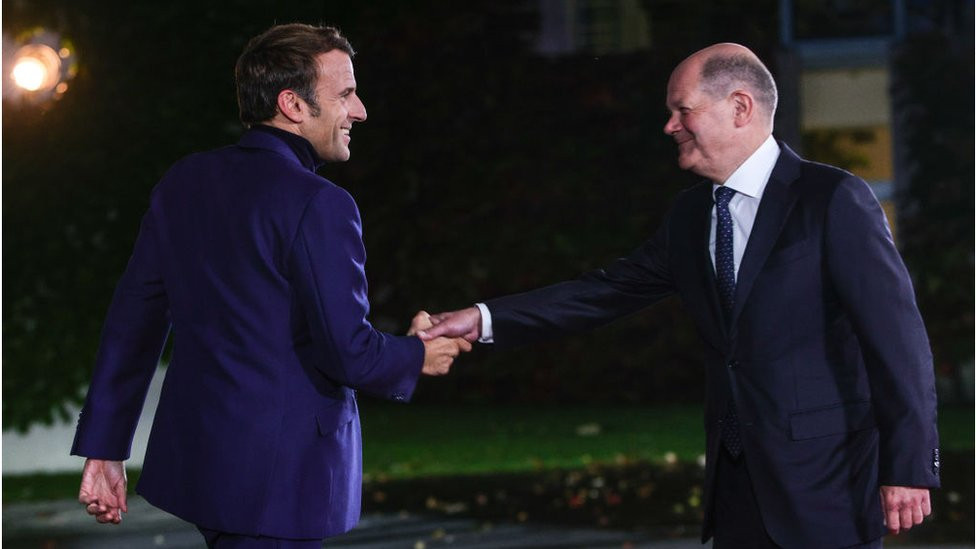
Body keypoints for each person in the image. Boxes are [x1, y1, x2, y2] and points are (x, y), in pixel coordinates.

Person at [419, 43, 939, 548]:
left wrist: (909, 467)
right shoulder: (690, 216)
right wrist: (482, 318)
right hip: (735, 488)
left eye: (682, 110)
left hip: (826, 484)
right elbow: (604, 291)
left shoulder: (831, 199)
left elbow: (898, 340)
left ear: (740, 107)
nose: (669, 126)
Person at [71, 23, 470, 548]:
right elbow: (347, 353)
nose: (360, 111)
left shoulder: (185, 182)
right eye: (345, 94)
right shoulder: (320, 204)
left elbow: (133, 323)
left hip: (202, 469)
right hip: (280, 484)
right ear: (293, 104)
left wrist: (105, 447)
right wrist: (418, 355)